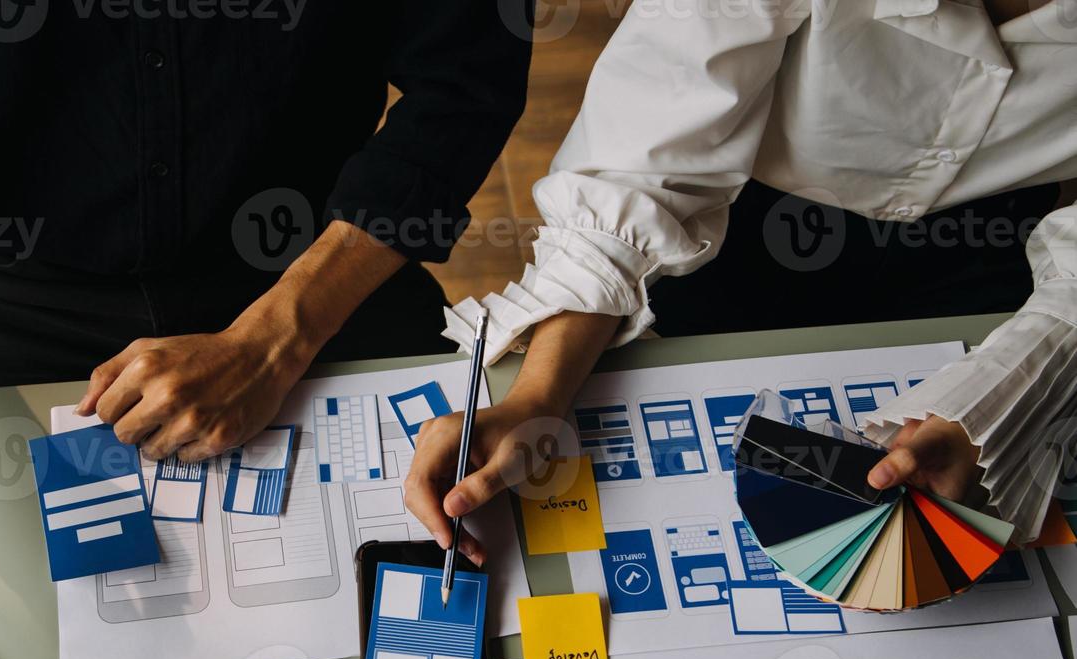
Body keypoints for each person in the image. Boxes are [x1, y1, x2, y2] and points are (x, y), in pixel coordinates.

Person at [0, 2, 533, 551]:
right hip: (2, 287)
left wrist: (277, 337)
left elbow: (466, 80)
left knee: (445, 578)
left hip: (316, 261)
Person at [406, 0, 1076, 563]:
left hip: (992, 256)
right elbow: (636, 165)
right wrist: (536, 398)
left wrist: (984, 415)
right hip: (739, 228)